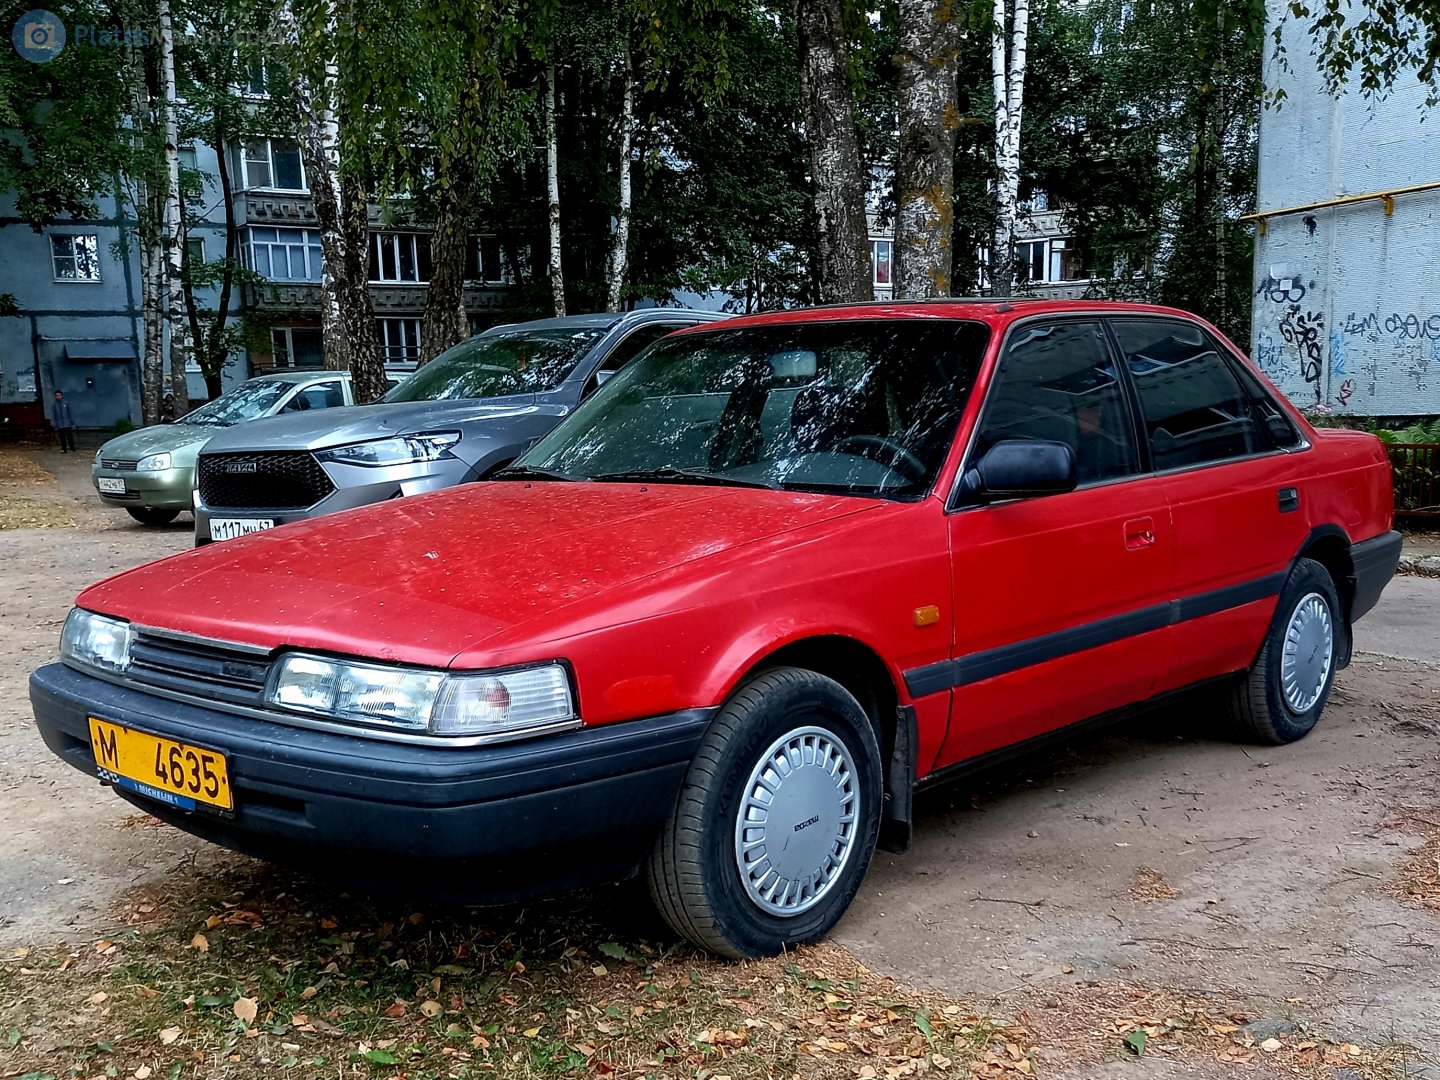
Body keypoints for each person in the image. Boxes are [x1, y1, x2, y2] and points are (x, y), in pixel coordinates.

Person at [50, 389, 76, 453]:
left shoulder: (66, 403)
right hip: (60, 423)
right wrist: (53, 422)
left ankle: (72, 447)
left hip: (67, 423)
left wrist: (72, 420)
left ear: (62, 395)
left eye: (59, 395)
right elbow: (53, 414)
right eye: (57, 395)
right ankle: (64, 448)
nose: (58, 397)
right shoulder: (54, 404)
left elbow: (70, 412)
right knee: (62, 437)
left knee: (69, 436)